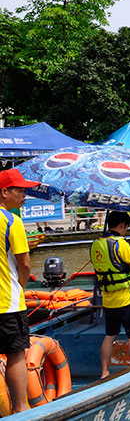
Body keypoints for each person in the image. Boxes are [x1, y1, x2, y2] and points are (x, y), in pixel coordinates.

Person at [0, 169, 39, 413]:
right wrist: (22, 285)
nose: (25, 195)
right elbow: (24, 263)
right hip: (7, 302)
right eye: (20, 190)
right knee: (15, 354)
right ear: (4, 192)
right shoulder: (12, 221)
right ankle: (21, 409)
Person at [90, 210, 130, 379]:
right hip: (126, 297)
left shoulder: (96, 244)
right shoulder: (121, 244)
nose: (126, 230)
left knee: (109, 335)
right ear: (121, 225)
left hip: (108, 298)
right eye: (126, 227)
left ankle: (104, 372)